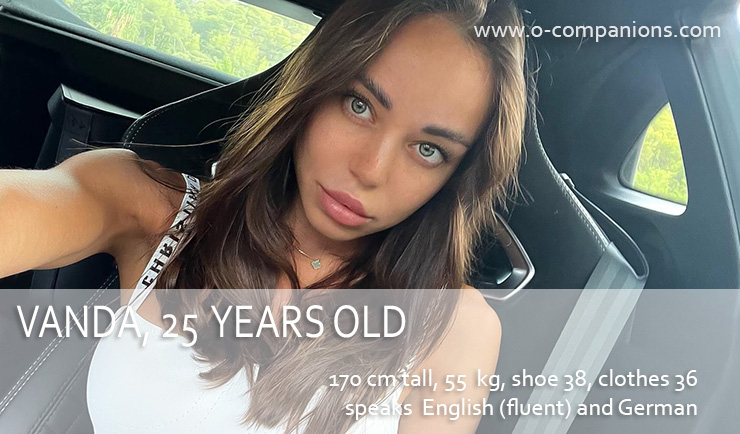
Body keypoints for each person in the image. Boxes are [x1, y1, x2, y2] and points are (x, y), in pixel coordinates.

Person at [0, 0, 528, 432]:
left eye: (428, 150)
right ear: (313, 89)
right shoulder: (158, 212)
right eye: (359, 105)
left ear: (456, 177)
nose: (370, 170)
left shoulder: (452, 325)